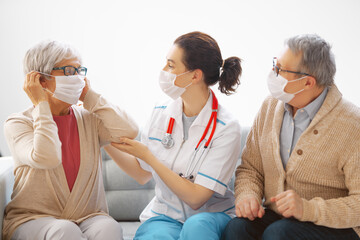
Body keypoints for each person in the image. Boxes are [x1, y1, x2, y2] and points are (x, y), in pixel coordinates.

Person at [105, 31, 242, 240]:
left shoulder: (226, 127)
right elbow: (142, 173)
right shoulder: (160, 112)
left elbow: (196, 198)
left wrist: (150, 157)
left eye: (170, 65)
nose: (163, 71)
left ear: (195, 75)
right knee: (154, 237)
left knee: (196, 229)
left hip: (210, 216)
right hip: (165, 215)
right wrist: (104, 140)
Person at [221, 34, 360, 240]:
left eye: (281, 70)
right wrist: (248, 195)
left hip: (336, 227)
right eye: (275, 65)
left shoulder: (351, 125)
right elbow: (251, 168)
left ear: (308, 82)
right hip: (279, 218)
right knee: (237, 228)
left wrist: (308, 209)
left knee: (279, 234)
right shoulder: (270, 107)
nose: (273, 73)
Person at [3, 40, 138, 240]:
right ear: (41, 80)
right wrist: (41, 104)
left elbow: (129, 130)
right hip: (34, 219)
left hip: (88, 217)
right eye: (68, 71)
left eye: (79, 70)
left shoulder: (89, 119)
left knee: (109, 228)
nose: (77, 78)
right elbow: (46, 157)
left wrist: (89, 96)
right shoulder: (18, 123)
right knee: (65, 231)